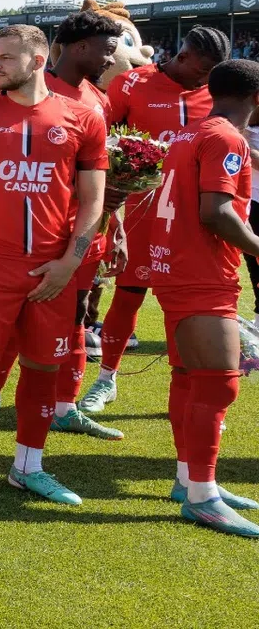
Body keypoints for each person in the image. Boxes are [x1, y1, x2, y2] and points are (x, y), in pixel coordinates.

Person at [0, 25, 107, 514]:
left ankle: (28, 467)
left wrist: (70, 262)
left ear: (38, 58)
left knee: (44, 367)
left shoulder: (83, 117)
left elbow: (93, 199)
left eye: (6, 57)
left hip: (52, 264)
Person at [0, 11, 129, 441]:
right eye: (106, 48)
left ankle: (65, 406)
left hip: (80, 236)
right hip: (32, 238)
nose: (111, 57)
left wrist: (114, 225)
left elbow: (96, 178)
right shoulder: (30, 92)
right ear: (80, 47)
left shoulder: (97, 99)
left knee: (75, 316)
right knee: (11, 323)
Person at [83, 23, 228, 414]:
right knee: (129, 297)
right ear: (182, 57)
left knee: (189, 307)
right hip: (142, 215)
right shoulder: (132, 84)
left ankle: (194, 389)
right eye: (202, 70)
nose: (206, 79)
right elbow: (102, 141)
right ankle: (105, 380)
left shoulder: (216, 94)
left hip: (195, 220)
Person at [145, 59, 259, 533]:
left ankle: (188, 479)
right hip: (201, 272)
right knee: (218, 382)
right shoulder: (228, 138)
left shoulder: (190, 132)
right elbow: (215, 212)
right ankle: (202, 496)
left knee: (188, 378)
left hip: (173, 265)